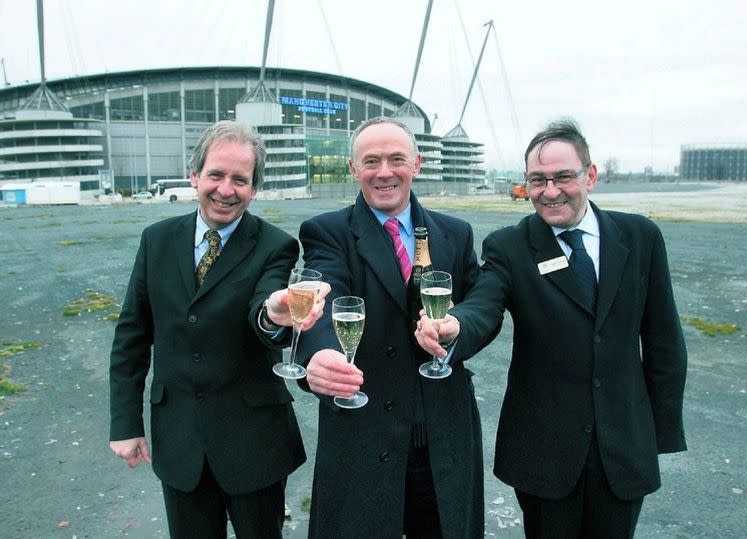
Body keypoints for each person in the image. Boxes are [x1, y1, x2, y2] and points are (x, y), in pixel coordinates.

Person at [416, 119, 687, 537]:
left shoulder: (640, 237)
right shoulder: (510, 244)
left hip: (624, 443)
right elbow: (485, 305)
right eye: (537, 180)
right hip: (544, 446)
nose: (550, 191)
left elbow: (664, 341)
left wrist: (660, 433)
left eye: (563, 177)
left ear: (590, 176)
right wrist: (455, 326)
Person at [108, 120, 328, 538]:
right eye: (216, 175)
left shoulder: (276, 245)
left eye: (240, 180)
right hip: (178, 439)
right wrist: (125, 423)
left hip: (254, 442)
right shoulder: (156, 241)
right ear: (195, 176)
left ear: (254, 189)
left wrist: (276, 311)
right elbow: (132, 336)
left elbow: (265, 309)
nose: (226, 190)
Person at [296, 117, 490, 538]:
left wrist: (458, 327)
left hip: (441, 429)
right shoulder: (328, 232)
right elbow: (320, 292)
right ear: (353, 170)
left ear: (416, 164)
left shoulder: (455, 233)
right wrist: (321, 353)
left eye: (396, 159)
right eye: (371, 161)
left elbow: (482, 304)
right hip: (366, 429)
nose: (384, 172)